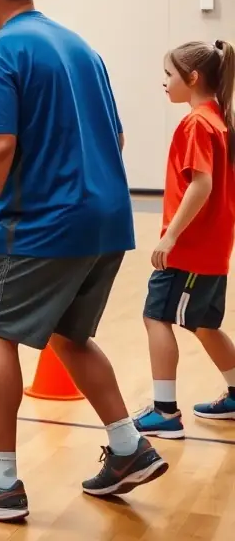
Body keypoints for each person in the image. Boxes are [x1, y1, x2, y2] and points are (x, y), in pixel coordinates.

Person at [0, 0, 167, 521]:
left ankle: (0, 482)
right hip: (108, 219)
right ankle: (128, 448)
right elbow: (116, 138)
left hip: (44, 223)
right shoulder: (83, 48)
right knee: (70, 336)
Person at [133, 40, 235, 439]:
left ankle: (164, 412)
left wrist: (170, 237)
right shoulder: (219, 119)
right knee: (205, 324)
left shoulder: (197, 123)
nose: (164, 82)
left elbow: (203, 184)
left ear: (192, 78)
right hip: (212, 249)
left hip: (190, 251)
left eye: (169, 75)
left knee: (156, 316)